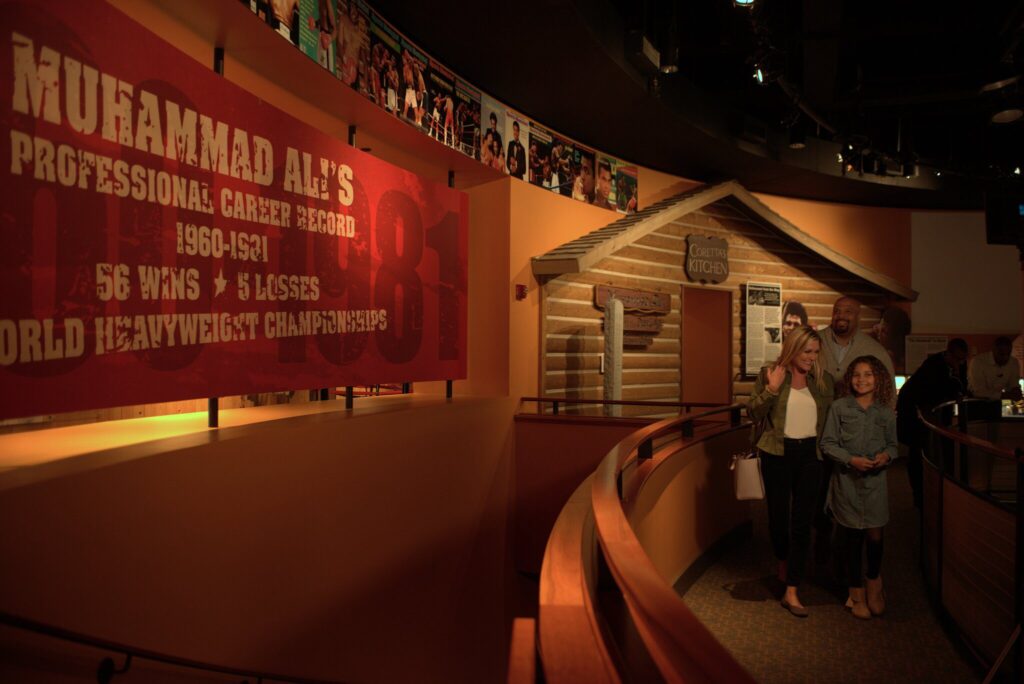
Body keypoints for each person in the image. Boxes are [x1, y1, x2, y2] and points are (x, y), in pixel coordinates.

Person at [748, 326, 834, 617]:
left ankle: (792, 590)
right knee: (778, 519)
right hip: (777, 453)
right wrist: (771, 389)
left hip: (811, 455)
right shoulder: (771, 374)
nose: (812, 358)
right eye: (806, 351)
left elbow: (832, 421)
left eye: (815, 352)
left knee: (802, 521)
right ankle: (783, 559)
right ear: (792, 349)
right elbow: (752, 412)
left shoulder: (823, 382)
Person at [821, 356, 897, 619]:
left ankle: (874, 583)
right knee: (852, 538)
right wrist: (850, 459)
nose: (861, 380)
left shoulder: (885, 412)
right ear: (849, 379)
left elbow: (893, 446)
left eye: (868, 375)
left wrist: (886, 456)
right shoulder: (839, 408)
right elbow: (827, 444)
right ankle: (855, 592)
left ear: (878, 379)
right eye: (856, 375)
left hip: (875, 486)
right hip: (847, 483)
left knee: (875, 536)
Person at [896, 338, 969, 508]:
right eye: (957, 359)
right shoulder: (932, 365)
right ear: (948, 353)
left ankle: (932, 491)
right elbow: (936, 390)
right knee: (917, 452)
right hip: (915, 414)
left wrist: (957, 378)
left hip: (934, 414)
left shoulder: (958, 365)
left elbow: (960, 387)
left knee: (933, 451)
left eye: (962, 359)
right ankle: (919, 495)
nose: (960, 362)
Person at [819, 296, 895, 394]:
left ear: (858, 317)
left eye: (848, 312)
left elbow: (889, 390)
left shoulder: (875, 349)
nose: (841, 316)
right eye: (837, 311)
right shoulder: (814, 341)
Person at [968, 336, 1022, 401]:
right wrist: (1006, 395)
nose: (1005, 357)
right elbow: (978, 391)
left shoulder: (1013, 362)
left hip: (997, 402)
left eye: (1008, 354)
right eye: (1001, 354)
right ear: (993, 350)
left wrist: (1016, 390)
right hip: (976, 402)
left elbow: (1013, 384)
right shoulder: (978, 362)